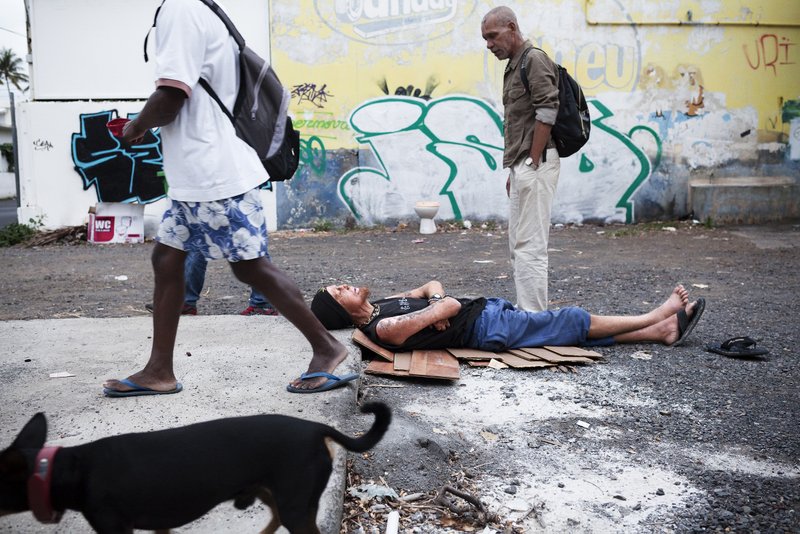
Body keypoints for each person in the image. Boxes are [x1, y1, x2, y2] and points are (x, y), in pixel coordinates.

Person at [103, 0, 347, 396]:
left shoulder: (181, 10)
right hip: (195, 173)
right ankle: (159, 370)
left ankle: (328, 347)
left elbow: (170, 95)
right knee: (167, 260)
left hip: (214, 172)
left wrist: (134, 128)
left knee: (250, 268)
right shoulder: (194, 9)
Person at [310, 280, 706, 353]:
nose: (345, 284)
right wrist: (438, 309)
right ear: (341, 310)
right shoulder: (384, 327)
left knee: (563, 334)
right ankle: (656, 314)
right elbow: (444, 306)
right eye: (337, 292)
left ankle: (662, 331)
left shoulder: (386, 304)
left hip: (488, 312)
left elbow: (433, 287)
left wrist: (437, 305)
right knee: (571, 319)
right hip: (489, 328)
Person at [481, 6, 561, 312]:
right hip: (523, 164)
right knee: (518, 245)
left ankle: (534, 317)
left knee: (531, 247)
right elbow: (523, 121)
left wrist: (532, 161)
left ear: (512, 27)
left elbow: (547, 111)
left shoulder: (534, 59)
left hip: (536, 164)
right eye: (485, 39)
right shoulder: (516, 64)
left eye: (493, 36)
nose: (489, 44)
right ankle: (527, 310)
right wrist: (515, 169)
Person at [144, 250, 279, 316]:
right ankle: (184, 301)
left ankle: (262, 304)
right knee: (197, 241)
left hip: (231, 196)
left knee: (248, 243)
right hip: (207, 196)